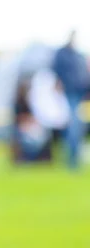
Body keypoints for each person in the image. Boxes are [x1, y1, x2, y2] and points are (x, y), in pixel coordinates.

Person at [52, 31, 90, 170]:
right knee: (73, 124)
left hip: (79, 93)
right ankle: (72, 159)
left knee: (75, 125)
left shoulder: (77, 54)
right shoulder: (64, 54)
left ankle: (73, 156)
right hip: (70, 92)